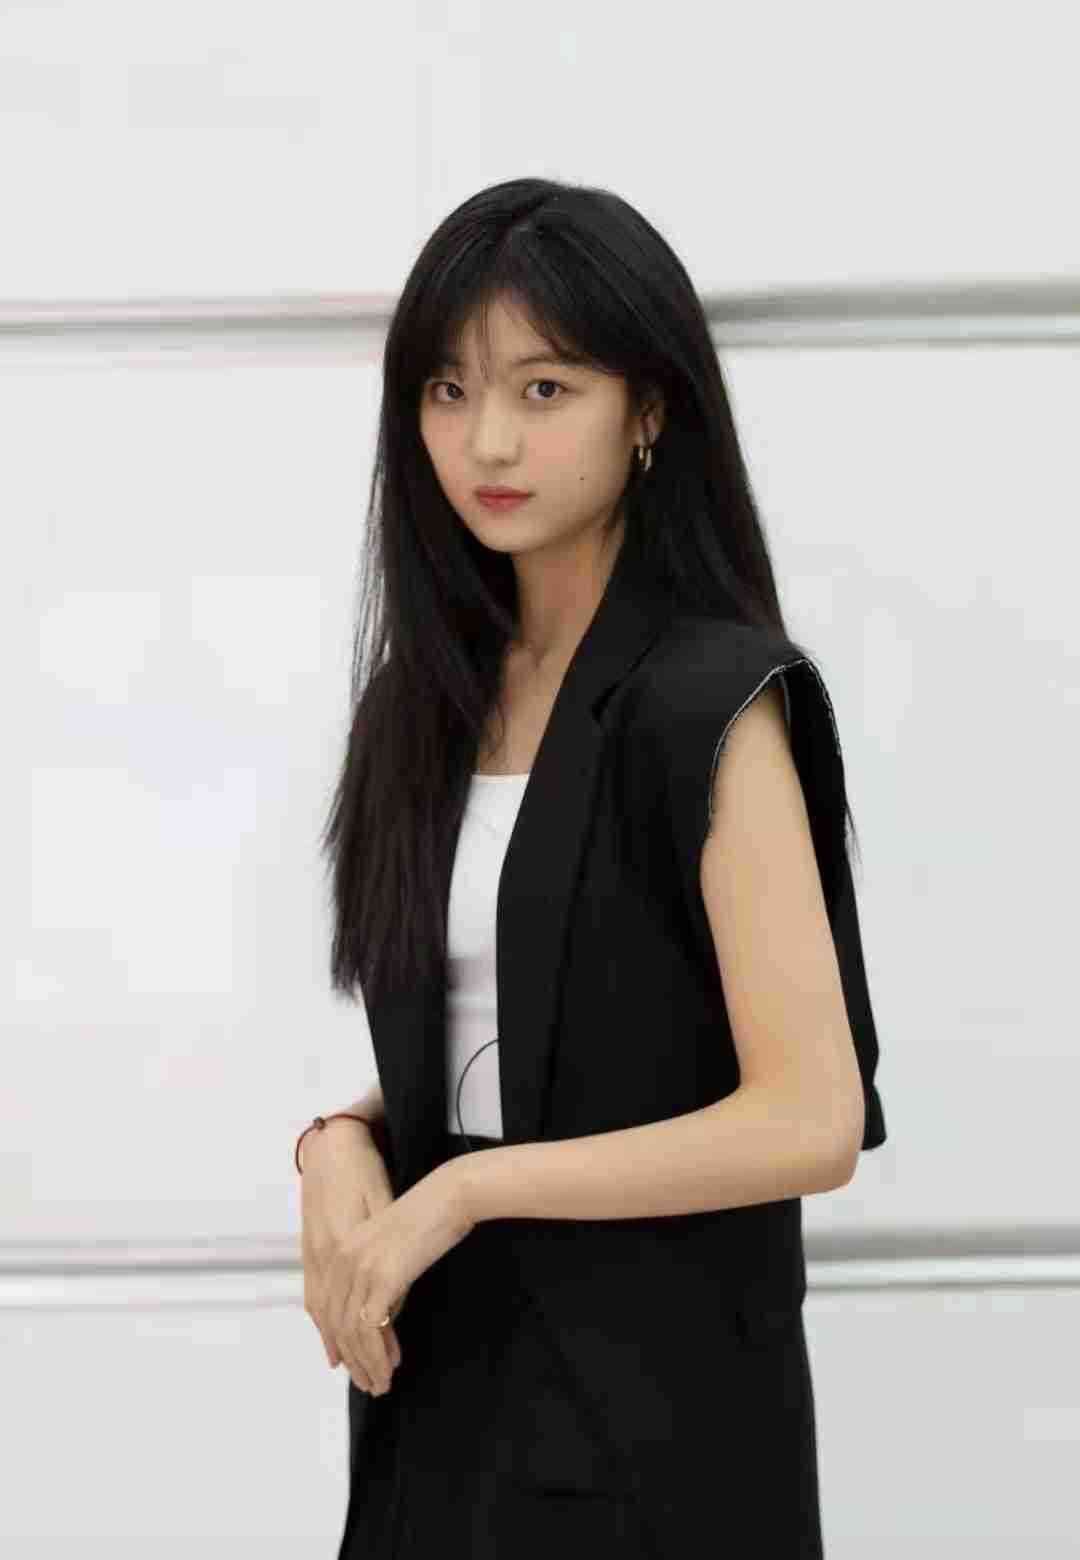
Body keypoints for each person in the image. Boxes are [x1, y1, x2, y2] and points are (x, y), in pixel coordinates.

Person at [298, 176, 887, 1558]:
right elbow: (527, 1035)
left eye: (545, 389)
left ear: (650, 410)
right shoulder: (422, 705)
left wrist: (469, 1187)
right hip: (439, 1414)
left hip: (650, 1435)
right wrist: (343, 1141)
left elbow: (811, 1115)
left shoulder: (710, 702)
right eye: (448, 390)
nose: (488, 439)